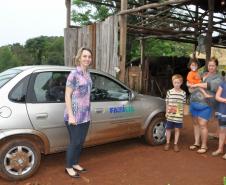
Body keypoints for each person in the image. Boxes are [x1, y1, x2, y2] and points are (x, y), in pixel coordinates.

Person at [64, 47, 92, 178]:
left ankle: (75, 163)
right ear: (79, 58)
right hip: (74, 115)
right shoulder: (74, 74)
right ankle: (69, 167)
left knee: (80, 142)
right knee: (74, 142)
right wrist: (70, 115)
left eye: (89, 57)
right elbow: (67, 95)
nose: (87, 59)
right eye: (85, 56)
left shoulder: (88, 74)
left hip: (85, 115)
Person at [189, 57, 222, 154]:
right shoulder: (202, 74)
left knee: (203, 124)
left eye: (213, 65)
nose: (211, 67)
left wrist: (196, 85)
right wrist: (190, 84)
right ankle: (196, 143)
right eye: (209, 65)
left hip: (207, 103)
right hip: (194, 101)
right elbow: (191, 81)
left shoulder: (219, 78)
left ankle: (204, 145)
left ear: (216, 66)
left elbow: (209, 85)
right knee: (195, 123)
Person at [164, 74, 186, 152]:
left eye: (178, 82)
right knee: (168, 128)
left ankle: (175, 144)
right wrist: (166, 112)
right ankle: (167, 143)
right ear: (172, 83)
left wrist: (182, 113)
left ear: (181, 83)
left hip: (178, 115)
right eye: (175, 82)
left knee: (177, 129)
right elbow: (167, 103)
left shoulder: (183, 93)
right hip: (170, 114)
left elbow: (183, 104)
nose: (176, 84)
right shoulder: (169, 92)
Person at [211, 71, 226, 159]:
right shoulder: (222, 84)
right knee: (222, 130)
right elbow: (217, 96)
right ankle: (220, 149)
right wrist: (224, 100)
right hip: (223, 111)